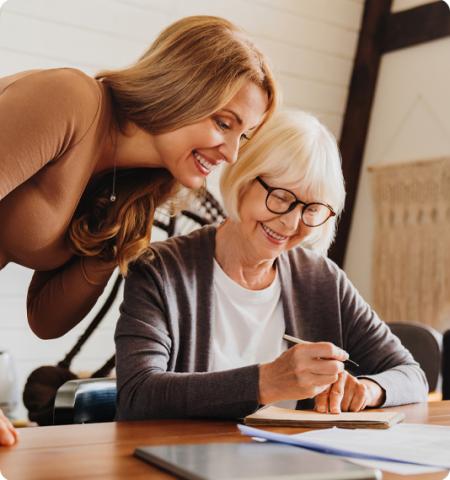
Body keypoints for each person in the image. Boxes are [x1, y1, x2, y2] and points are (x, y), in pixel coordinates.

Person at [0, 16, 277, 445]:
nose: (232, 152)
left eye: (244, 135)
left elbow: (47, 319)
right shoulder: (70, 99)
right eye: (224, 123)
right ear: (180, 89)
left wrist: (116, 239)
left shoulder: (133, 196)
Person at [115, 110, 428, 421]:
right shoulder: (160, 271)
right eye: (280, 197)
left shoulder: (321, 280)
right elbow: (137, 394)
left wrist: (366, 389)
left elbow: (411, 375)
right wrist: (266, 382)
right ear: (244, 179)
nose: (291, 223)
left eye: (312, 209)